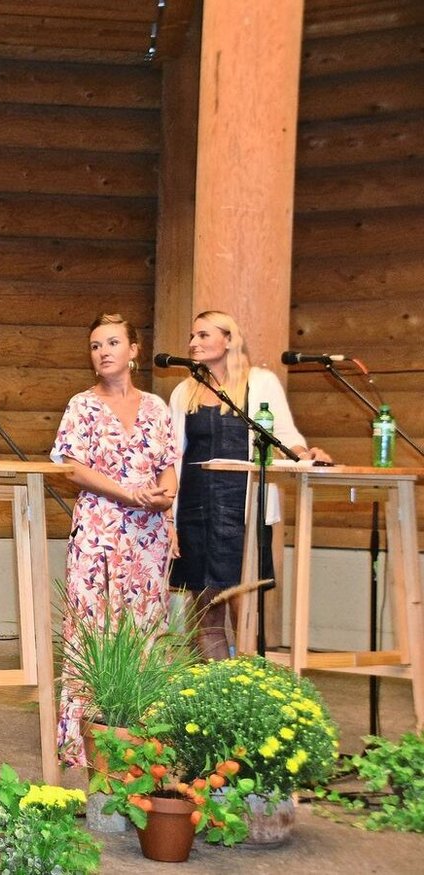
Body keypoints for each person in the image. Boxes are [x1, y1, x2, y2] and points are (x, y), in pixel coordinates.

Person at [50, 313, 178, 766]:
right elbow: (72, 467)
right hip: (99, 530)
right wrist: (129, 493)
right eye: (95, 345)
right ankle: (83, 741)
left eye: (112, 342)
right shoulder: (81, 406)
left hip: (149, 535)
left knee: (145, 628)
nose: (103, 351)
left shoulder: (158, 408)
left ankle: (142, 731)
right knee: (93, 627)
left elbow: (167, 464)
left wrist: (166, 497)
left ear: (134, 350)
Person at [168, 310, 332, 660]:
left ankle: (246, 683)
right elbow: (172, 455)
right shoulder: (185, 391)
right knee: (206, 607)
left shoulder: (260, 382)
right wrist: (169, 516)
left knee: (244, 605)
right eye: (192, 336)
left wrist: (305, 454)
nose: (193, 343)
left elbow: (283, 436)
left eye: (203, 335)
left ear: (229, 339)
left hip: (242, 508)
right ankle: (213, 688)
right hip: (195, 509)